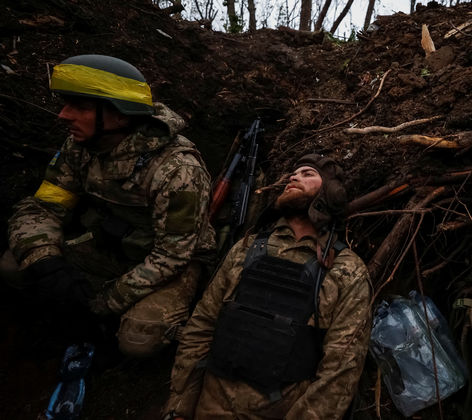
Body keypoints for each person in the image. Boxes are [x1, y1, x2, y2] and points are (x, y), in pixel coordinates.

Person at [5, 54, 216, 357]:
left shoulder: (177, 170)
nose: (63, 115)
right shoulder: (79, 148)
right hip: (112, 243)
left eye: (80, 107)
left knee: (138, 340)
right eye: (66, 103)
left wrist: (101, 303)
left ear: (121, 115)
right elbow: (44, 207)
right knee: (14, 266)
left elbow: (171, 256)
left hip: (171, 261)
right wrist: (46, 261)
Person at [163, 154, 372, 419]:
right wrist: (178, 407)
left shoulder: (347, 270)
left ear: (332, 193)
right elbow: (201, 327)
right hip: (210, 405)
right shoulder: (246, 247)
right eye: (292, 174)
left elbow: (340, 371)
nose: (293, 177)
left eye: (307, 173)